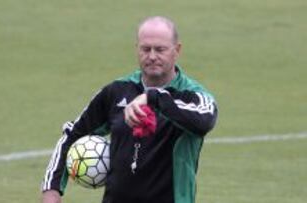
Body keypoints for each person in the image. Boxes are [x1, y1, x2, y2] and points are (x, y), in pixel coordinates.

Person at [41, 16, 218, 203]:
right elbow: (72, 134)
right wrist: (51, 189)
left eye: (160, 49)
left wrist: (153, 97)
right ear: (137, 49)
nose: (151, 56)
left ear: (177, 50)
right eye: (145, 49)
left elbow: (204, 121)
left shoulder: (192, 96)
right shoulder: (117, 91)